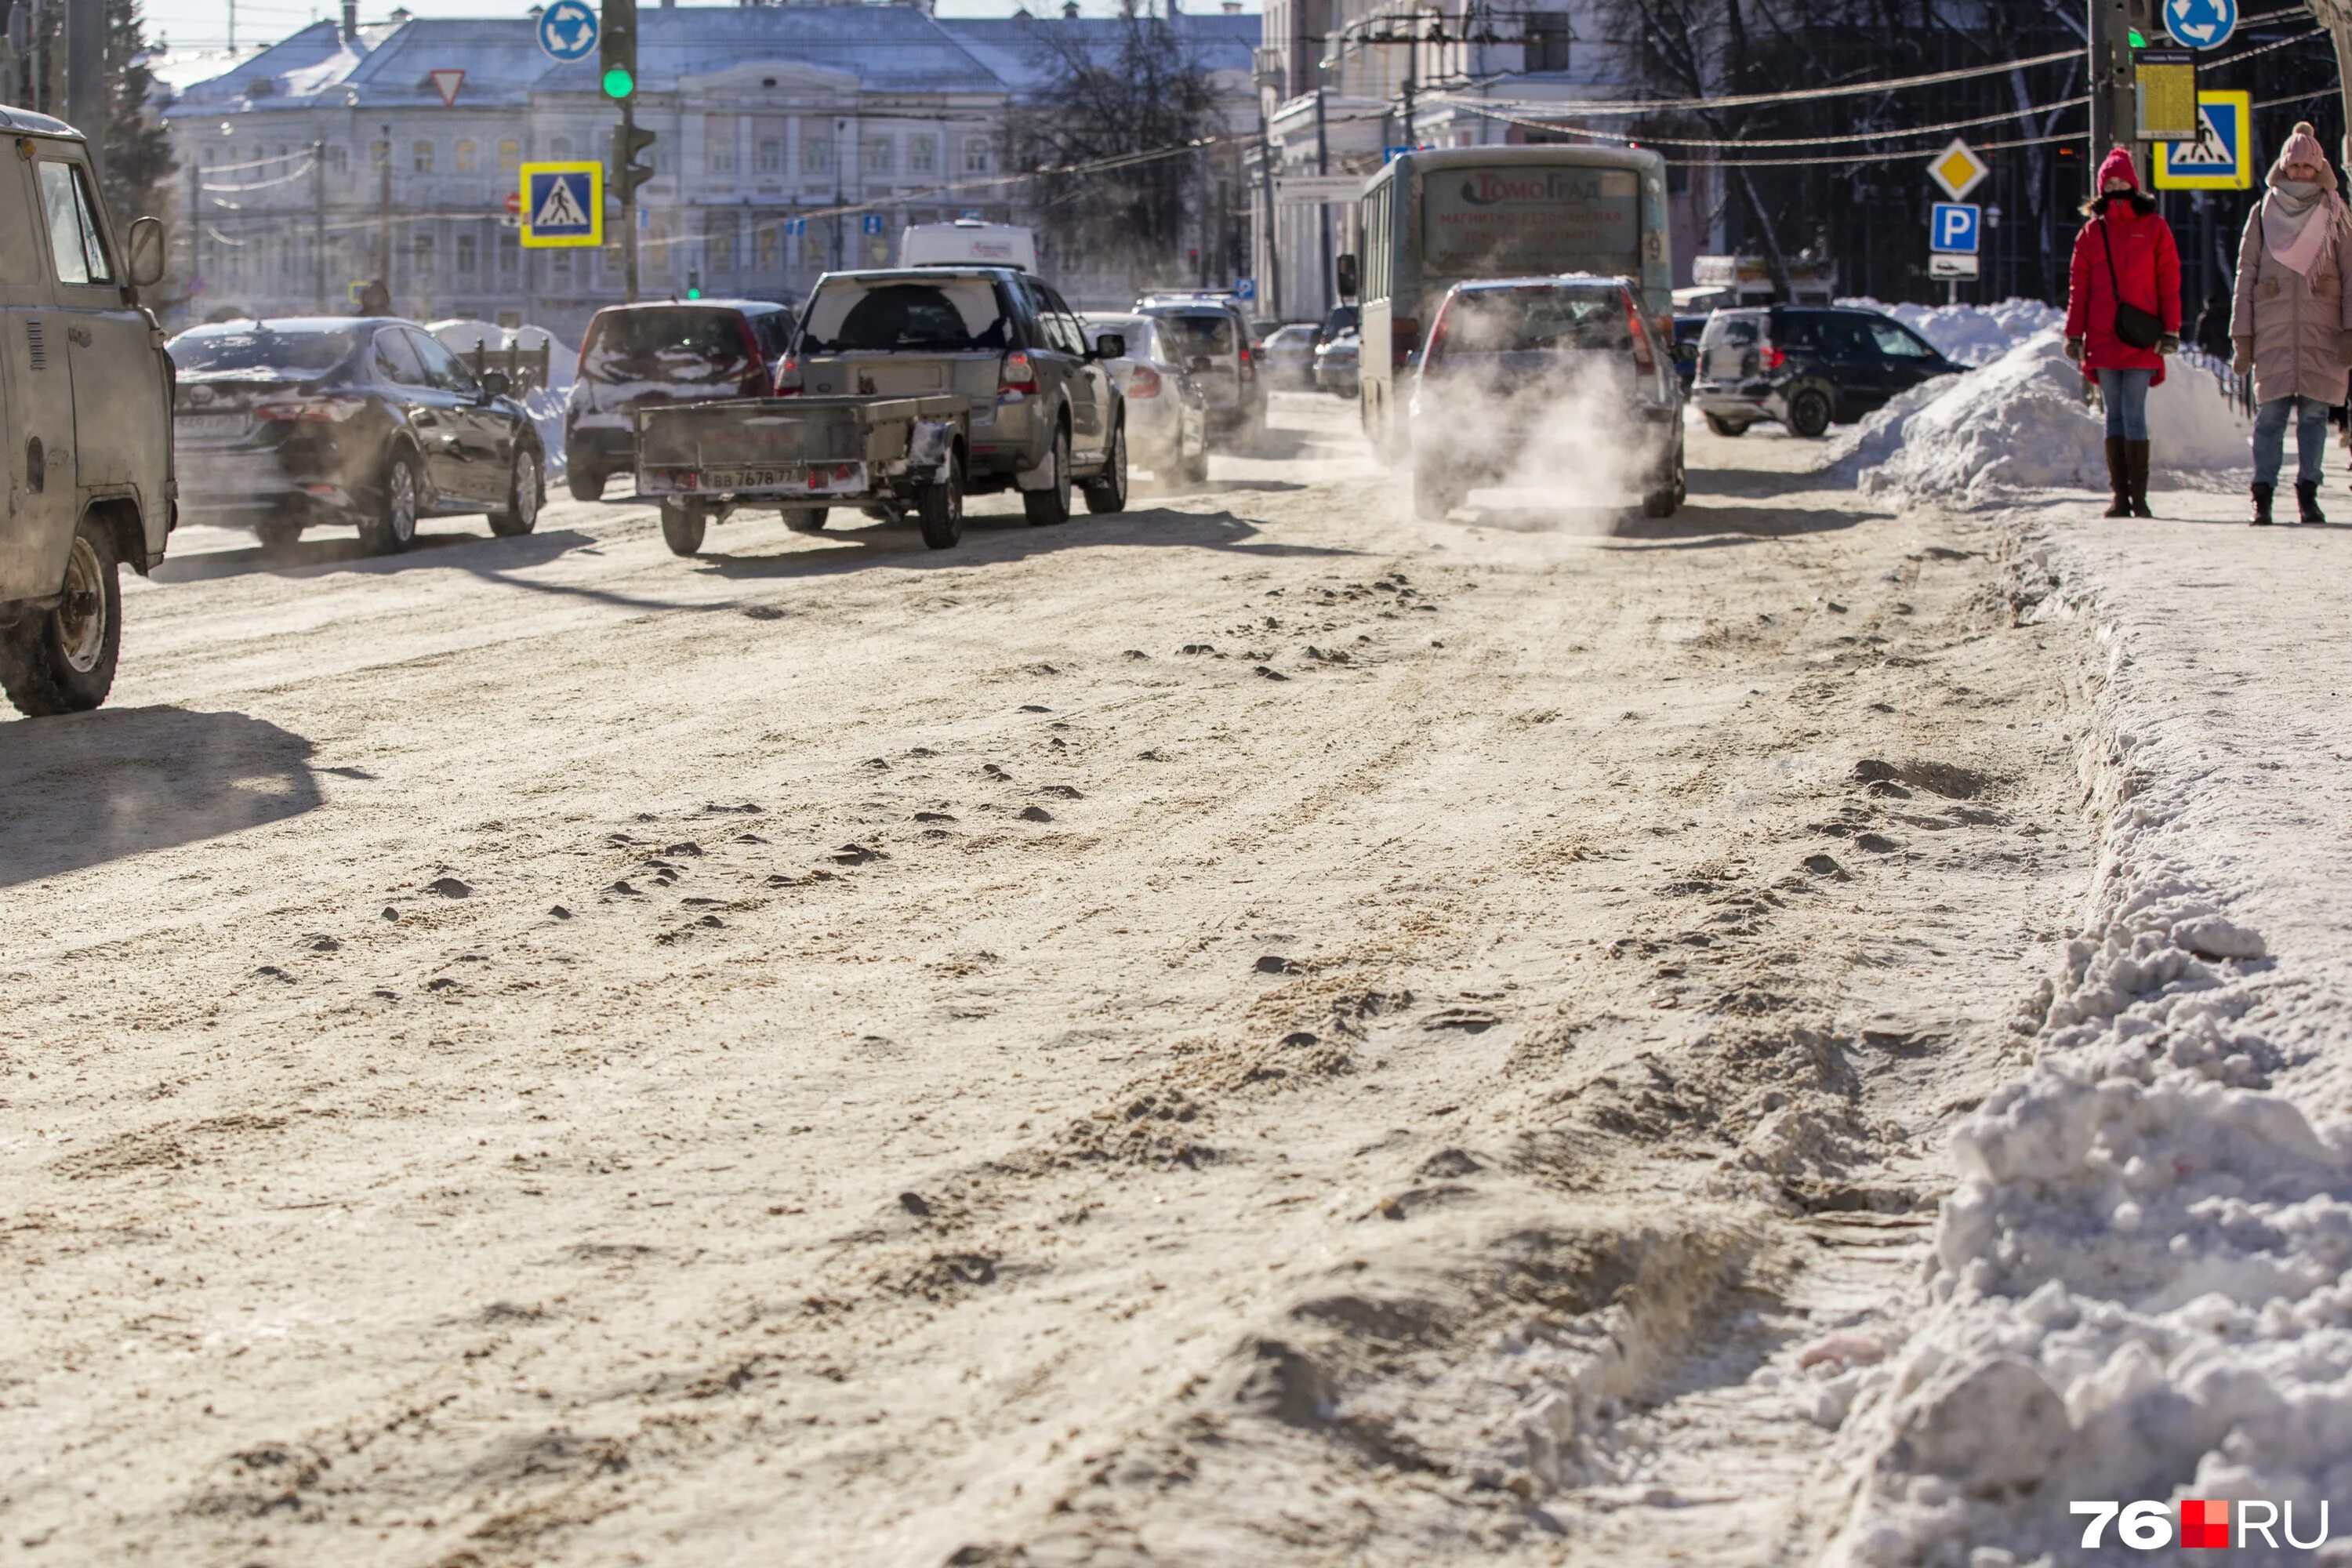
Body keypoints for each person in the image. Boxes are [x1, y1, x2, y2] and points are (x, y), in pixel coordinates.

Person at [2230, 121, 2352, 526]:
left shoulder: (2336, 211)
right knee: (2270, 418)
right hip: (2274, 332)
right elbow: (2245, 275)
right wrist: (2242, 336)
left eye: (2307, 167)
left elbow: (2351, 275)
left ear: (2319, 169)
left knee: (2315, 419)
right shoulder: (2262, 211)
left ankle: (2309, 496)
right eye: (2294, 166)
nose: (2301, 172)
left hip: (2323, 332)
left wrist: (2350, 329)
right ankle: (2262, 496)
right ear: (2284, 167)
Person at [2064, 147, 2183, 518]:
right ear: (2101, 188)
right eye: (2110, 182)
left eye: (2122, 181)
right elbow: (2078, 288)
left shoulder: (2154, 227)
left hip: (2141, 334)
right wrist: (2073, 335)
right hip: (2102, 336)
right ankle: (2121, 497)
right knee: (2113, 413)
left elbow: (2170, 281)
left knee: (2134, 410)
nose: (2116, 187)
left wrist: (2171, 329)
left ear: (2134, 184)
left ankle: (2140, 497)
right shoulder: (2091, 233)